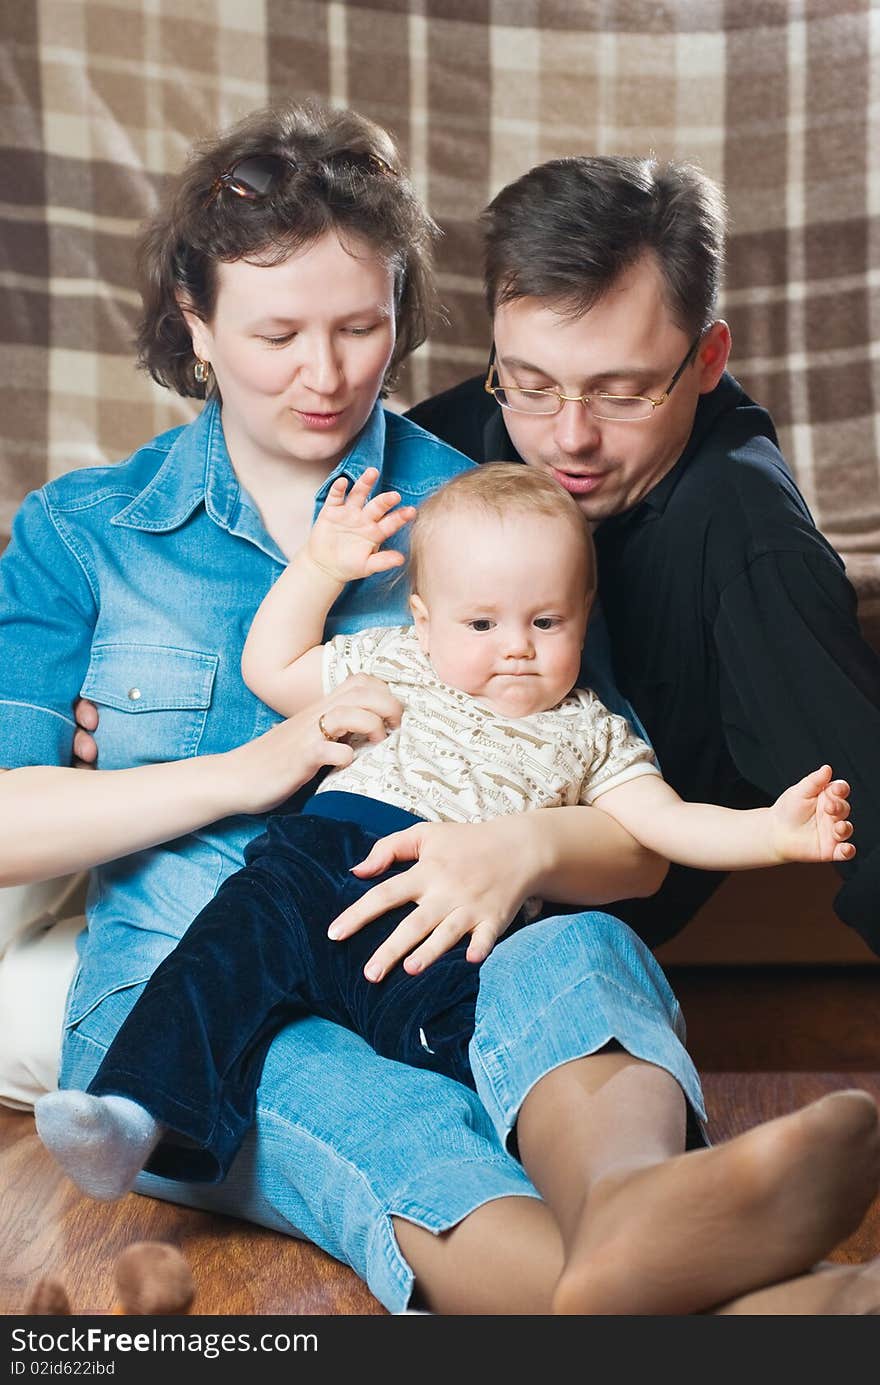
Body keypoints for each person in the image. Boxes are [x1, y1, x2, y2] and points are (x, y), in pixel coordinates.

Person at [4, 103, 880, 1317]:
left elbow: (621, 813)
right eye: (276, 333)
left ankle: (640, 1212)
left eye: (362, 328)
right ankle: (761, 1309)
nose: (325, 374)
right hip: (187, 986)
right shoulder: (82, 531)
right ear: (194, 324)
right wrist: (249, 769)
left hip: (463, 947)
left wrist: (517, 849)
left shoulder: (500, 505)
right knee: (368, 1111)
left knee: (582, 956)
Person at [36, 460, 857, 1225]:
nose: (516, 646)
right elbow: (270, 664)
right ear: (425, 623)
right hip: (319, 866)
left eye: (546, 620)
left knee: (481, 1040)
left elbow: (665, 825)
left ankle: (576, 1192)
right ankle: (133, 1112)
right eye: (482, 621)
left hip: (449, 921)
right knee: (217, 961)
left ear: (584, 615)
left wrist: (771, 834)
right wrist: (322, 568)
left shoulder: (591, 733)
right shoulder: (396, 661)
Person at [406, 154, 880, 957]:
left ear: (707, 359)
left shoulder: (746, 535)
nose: (569, 436)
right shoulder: (435, 448)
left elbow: (868, 814)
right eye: (530, 383)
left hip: (570, 932)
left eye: (621, 394)